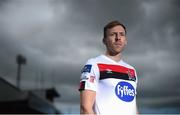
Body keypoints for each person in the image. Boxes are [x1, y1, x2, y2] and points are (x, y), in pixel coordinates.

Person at [79, 20, 138, 115]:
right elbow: (85, 109)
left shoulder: (131, 70)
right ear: (104, 40)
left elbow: (133, 108)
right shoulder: (93, 64)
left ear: (125, 41)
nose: (118, 38)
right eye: (113, 34)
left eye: (121, 34)